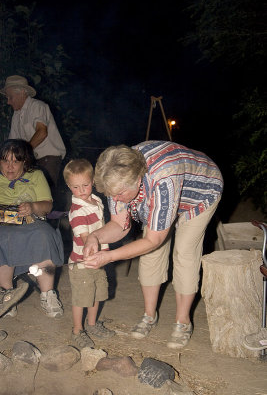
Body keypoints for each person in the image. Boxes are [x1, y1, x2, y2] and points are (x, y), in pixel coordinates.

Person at [82, 140, 223, 349]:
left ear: (137, 180)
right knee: (150, 255)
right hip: (160, 191)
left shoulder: (163, 177)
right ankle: (149, 315)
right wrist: (95, 237)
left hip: (200, 194)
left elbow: (153, 240)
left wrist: (109, 256)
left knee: (184, 252)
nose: (115, 198)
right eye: (111, 194)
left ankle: (183, 322)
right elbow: (119, 224)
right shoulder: (117, 176)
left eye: (119, 194)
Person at [0, 139, 64, 318]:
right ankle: (7, 296)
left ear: (24, 162)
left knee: (44, 234)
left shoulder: (36, 175)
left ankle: (48, 294)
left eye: (15, 161)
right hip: (2, 226)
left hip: (30, 223)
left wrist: (33, 207)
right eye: (5, 160)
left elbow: (48, 206)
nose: (10, 166)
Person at [63, 159, 115, 349]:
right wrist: (95, 253)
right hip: (82, 263)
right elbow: (86, 238)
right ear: (69, 186)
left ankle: (92, 325)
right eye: (76, 187)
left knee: (97, 294)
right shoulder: (77, 211)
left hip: (98, 260)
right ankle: (77, 330)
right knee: (81, 298)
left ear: (92, 181)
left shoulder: (97, 200)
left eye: (85, 185)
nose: (82, 190)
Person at [0, 75, 66, 189]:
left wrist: (23, 153)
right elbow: (12, 144)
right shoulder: (16, 115)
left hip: (48, 159)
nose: (8, 102)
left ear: (21, 92)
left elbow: (42, 132)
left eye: (10, 97)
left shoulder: (37, 106)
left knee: (44, 194)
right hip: (31, 160)